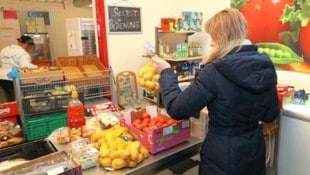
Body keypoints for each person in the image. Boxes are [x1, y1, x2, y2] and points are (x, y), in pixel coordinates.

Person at [152, 8, 280, 175]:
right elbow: (270, 115)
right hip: (254, 150)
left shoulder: (215, 71)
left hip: (222, 155)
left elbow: (177, 109)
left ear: (222, 37)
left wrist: (166, 72)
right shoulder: (265, 66)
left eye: (213, 37)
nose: (211, 43)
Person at [0, 35, 38, 101]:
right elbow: (25, 66)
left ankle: (12, 109)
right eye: (31, 47)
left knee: (9, 99)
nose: (30, 49)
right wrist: (37, 67)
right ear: (27, 44)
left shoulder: (4, 49)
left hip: (1, 78)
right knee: (18, 100)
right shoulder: (23, 53)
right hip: (13, 79)